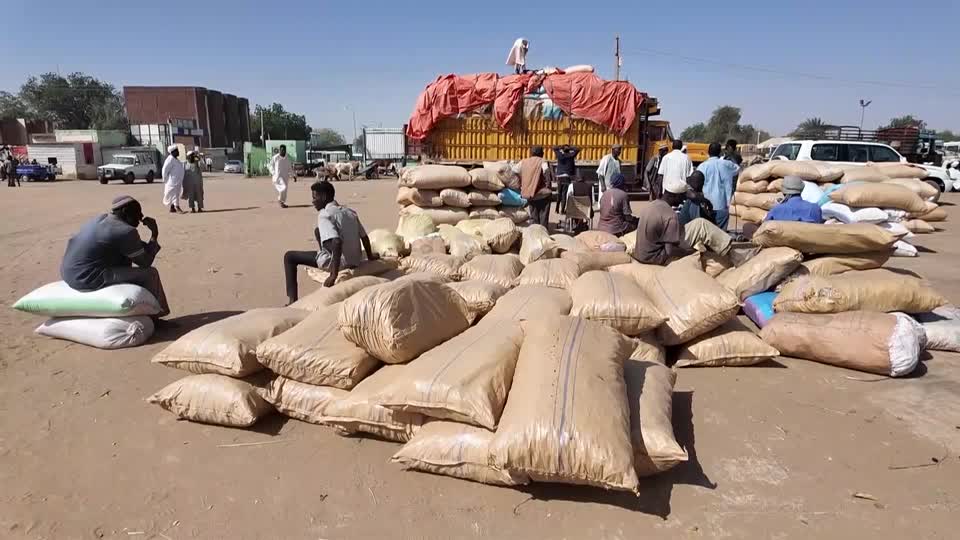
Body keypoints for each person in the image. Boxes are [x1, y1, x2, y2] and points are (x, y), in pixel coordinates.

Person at [60, 195, 170, 318]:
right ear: (124, 212)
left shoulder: (100, 219)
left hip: (69, 272)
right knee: (150, 274)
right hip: (88, 277)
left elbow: (134, 247)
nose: (140, 219)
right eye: (137, 214)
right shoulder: (125, 231)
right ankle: (157, 315)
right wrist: (154, 234)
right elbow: (145, 262)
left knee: (125, 259)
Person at [282, 181, 377, 304]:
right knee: (318, 231)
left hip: (341, 262)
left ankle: (292, 300)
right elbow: (364, 237)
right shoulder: (350, 212)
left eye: (314, 197)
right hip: (355, 259)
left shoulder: (325, 214)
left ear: (324, 197)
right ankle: (326, 254)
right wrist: (370, 256)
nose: (313, 201)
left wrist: (333, 275)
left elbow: (336, 242)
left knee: (289, 257)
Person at [632, 176, 732, 266]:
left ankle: (725, 246)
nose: (683, 200)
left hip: (642, 253)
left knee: (700, 223)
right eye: (682, 196)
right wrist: (690, 253)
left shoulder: (651, 205)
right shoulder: (670, 216)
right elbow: (669, 252)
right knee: (703, 226)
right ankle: (731, 252)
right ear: (674, 196)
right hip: (655, 257)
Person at [697, 142, 740, 229]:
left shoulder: (702, 166)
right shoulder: (726, 164)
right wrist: (730, 155)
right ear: (720, 152)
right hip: (722, 204)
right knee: (721, 235)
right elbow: (737, 168)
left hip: (706, 206)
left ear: (708, 152)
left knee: (707, 231)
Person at [517, 146, 553, 229]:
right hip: (543, 194)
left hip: (530, 194)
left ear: (531, 153)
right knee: (543, 217)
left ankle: (534, 234)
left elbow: (514, 171)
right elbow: (546, 172)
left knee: (533, 216)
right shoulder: (542, 161)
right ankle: (543, 234)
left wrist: (521, 185)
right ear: (542, 154)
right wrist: (548, 186)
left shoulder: (523, 162)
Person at [657, 139, 693, 205]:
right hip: (682, 191)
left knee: (667, 210)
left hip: (668, 191)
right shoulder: (687, 158)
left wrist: (659, 191)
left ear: (672, 146)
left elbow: (660, 175)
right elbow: (689, 177)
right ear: (681, 147)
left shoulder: (666, 157)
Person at [553, 145, 580, 213]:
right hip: (567, 177)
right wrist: (570, 147)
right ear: (569, 150)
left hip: (559, 177)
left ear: (563, 150)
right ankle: (562, 210)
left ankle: (556, 209)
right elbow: (577, 149)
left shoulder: (559, 155)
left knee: (559, 193)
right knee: (564, 193)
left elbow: (554, 148)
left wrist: (561, 147)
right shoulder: (571, 155)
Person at [161, 145, 185, 213]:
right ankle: (177, 207)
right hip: (172, 181)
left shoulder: (175, 159)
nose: (178, 152)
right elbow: (164, 170)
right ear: (173, 152)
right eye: (177, 151)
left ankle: (172, 208)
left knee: (175, 194)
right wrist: (165, 179)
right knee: (174, 194)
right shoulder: (170, 159)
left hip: (177, 181)